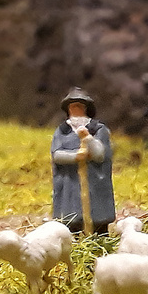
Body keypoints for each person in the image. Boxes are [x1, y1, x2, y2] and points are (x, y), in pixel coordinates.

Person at [50, 87, 115, 234]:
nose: (75, 110)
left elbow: (100, 154)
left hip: (95, 183)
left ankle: (98, 236)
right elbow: (57, 155)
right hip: (70, 184)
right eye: (72, 107)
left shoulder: (98, 129)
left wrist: (88, 138)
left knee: (96, 214)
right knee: (72, 215)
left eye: (79, 106)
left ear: (86, 108)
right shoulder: (62, 131)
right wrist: (75, 156)